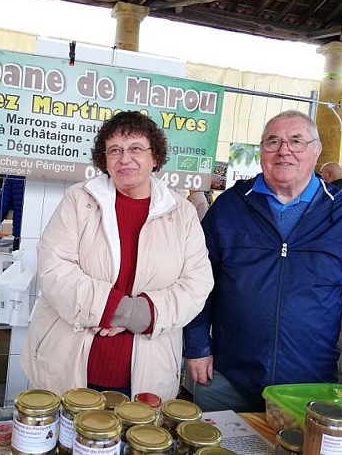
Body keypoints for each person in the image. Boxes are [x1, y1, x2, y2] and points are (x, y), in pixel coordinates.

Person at [184, 110, 342, 412]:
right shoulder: (230, 207)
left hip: (310, 386)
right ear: (261, 152)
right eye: (273, 141)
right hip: (227, 377)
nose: (284, 150)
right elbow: (197, 279)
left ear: (316, 150)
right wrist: (197, 346)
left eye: (296, 141)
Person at [21, 110, 214, 399]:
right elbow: (54, 267)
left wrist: (142, 314)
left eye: (136, 148)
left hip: (148, 374)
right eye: (115, 150)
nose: (125, 158)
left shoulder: (182, 213)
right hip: (69, 367)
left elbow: (197, 284)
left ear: (155, 157)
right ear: (104, 158)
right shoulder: (79, 200)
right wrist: (120, 311)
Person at [0, 174, 25, 251]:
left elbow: (3, 203)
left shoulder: (17, 172)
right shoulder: (52, 169)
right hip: (49, 233)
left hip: (21, 231)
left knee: (20, 261)